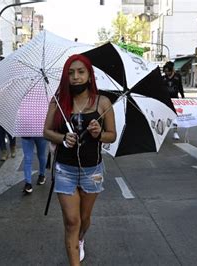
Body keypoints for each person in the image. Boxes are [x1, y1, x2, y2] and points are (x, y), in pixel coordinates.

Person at [43, 54, 116, 265]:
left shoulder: (102, 102)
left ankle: (81, 239)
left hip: (92, 171)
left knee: (84, 220)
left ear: (89, 76)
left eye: (80, 72)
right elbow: (46, 131)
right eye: (71, 73)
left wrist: (98, 134)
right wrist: (62, 138)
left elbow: (112, 134)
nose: (75, 77)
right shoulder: (58, 101)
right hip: (64, 169)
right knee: (71, 222)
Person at [162, 61, 184, 140]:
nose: (166, 73)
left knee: (175, 117)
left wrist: (183, 97)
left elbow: (180, 87)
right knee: (164, 116)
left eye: (168, 71)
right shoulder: (163, 78)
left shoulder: (177, 76)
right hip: (165, 99)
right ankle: (162, 132)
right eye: (165, 71)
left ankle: (175, 132)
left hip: (175, 99)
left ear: (172, 70)